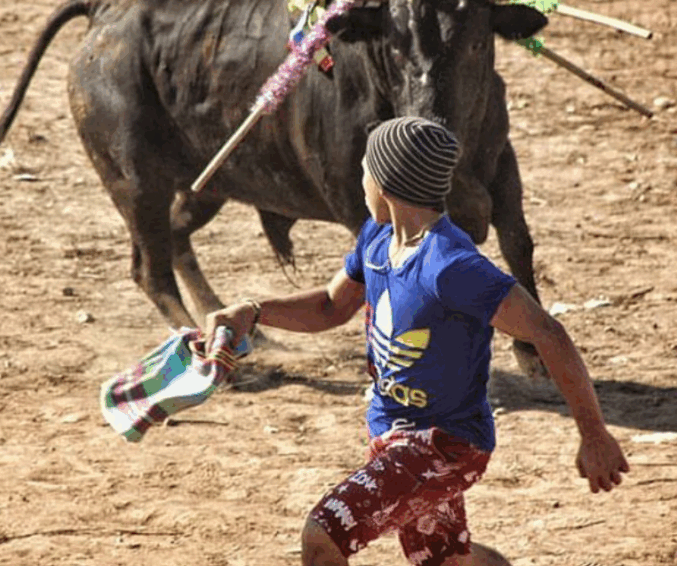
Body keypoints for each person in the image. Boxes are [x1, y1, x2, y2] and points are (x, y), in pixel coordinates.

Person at [205, 116, 630, 566]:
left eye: (364, 169)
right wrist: (252, 312)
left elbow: (548, 331)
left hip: (446, 446)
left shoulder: (450, 266)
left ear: (385, 181)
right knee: (448, 562)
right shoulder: (377, 238)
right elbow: (331, 307)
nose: (360, 179)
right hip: (394, 435)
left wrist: (593, 433)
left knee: (322, 534)